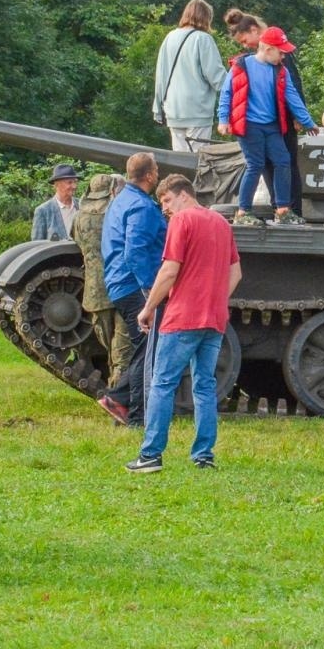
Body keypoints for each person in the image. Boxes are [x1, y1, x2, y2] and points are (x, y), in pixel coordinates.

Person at [125, 174, 242, 473]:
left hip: (183, 317)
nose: (165, 208)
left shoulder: (182, 220)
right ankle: (204, 455)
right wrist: (215, 299)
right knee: (205, 386)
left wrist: (148, 308)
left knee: (162, 384)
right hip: (214, 318)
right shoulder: (222, 223)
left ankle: (151, 455)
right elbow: (236, 273)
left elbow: (169, 270)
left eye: (167, 200)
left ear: (183, 195)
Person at [216, 26, 319, 226]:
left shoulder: (281, 70)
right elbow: (226, 93)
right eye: (281, 52)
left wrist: (308, 122)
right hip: (248, 125)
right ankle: (243, 212)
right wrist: (223, 120)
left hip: (271, 125)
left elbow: (293, 97)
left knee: (283, 161)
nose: (283, 56)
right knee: (255, 164)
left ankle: (282, 210)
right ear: (268, 49)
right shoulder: (241, 65)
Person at [96, 153, 167, 427]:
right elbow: (135, 251)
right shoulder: (141, 207)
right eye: (156, 170)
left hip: (119, 281)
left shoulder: (122, 199)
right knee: (147, 349)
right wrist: (149, 290)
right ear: (148, 175)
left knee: (143, 348)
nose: (158, 174)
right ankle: (136, 415)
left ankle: (117, 399)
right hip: (134, 284)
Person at [71, 173, 126, 384]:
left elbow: (77, 241)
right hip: (120, 284)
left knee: (108, 342)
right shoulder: (117, 212)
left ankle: (114, 382)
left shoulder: (79, 216)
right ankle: (120, 388)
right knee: (123, 347)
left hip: (94, 290)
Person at [153, 0, 227, 153]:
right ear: (206, 17)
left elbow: (161, 76)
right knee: (197, 160)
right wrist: (237, 88)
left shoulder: (169, 37)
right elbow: (217, 78)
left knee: (179, 160)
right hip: (197, 110)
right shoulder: (203, 39)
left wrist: (158, 108)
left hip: (173, 108)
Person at [31, 164, 80, 241]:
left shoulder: (82, 206)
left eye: (75, 182)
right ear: (57, 185)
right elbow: (37, 244)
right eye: (70, 182)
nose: (74, 186)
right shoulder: (43, 211)